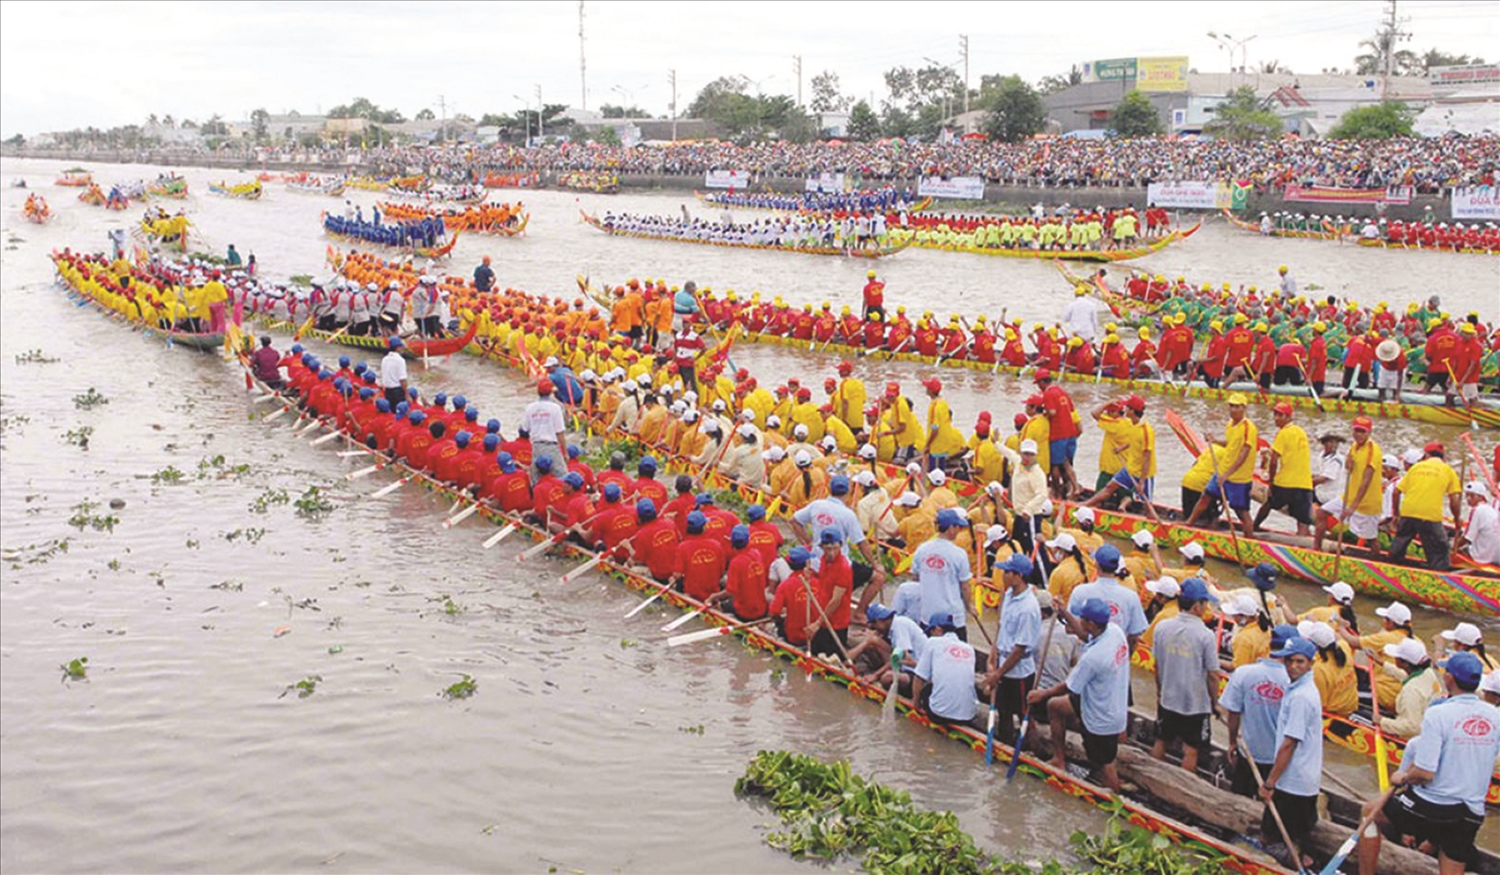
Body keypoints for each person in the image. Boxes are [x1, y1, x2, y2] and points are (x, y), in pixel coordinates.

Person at [1357, 651, 1500, 875]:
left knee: (1370, 811)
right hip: (1472, 811)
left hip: (1433, 807)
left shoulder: (1438, 714)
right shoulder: (1495, 716)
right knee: (1454, 853)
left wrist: (1402, 777)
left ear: (1449, 678)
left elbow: (1425, 773)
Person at [1030, 597, 1129, 792]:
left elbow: (1069, 686)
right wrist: (1065, 612)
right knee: (1055, 706)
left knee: (1105, 762)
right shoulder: (1113, 633)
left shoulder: (1093, 658)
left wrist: (1042, 694)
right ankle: (1059, 759)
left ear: (1091, 623)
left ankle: (1113, 795)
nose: (1079, 621)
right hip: (1104, 699)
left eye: (1082, 618)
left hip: (1101, 716)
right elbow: (1084, 635)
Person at [1259, 636, 1322, 871]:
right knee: (1293, 837)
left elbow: (1289, 744)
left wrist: (1270, 782)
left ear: (1310, 664)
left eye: (1299, 662)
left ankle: (1301, 865)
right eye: (1289, 662)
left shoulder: (1302, 697)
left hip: (1293, 783)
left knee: (1273, 837)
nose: (1292, 667)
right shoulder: (1299, 689)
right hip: (1299, 779)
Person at [1149, 578, 1222, 773]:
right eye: (1205, 603)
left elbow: (1156, 666)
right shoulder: (1205, 635)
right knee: (1191, 750)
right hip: (1195, 705)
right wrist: (1215, 703)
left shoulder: (1162, 627)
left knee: (1161, 741)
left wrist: (1159, 692)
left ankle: (1153, 776)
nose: (1207, 607)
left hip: (1168, 699)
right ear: (1197, 606)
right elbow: (1213, 675)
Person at [1220, 624, 1296, 797]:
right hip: (1279, 759)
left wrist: (1232, 742)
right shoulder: (1294, 683)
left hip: (1249, 752)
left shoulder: (1243, 673)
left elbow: (1233, 713)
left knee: (1240, 797)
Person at [982, 554, 1041, 745]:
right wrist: (993, 657)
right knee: (1003, 711)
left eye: (1006, 572)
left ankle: (1034, 749)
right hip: (1002, 662)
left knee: (1025, 715)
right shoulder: (1007, 595)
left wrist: (997, 674)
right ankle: (1005, 743)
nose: (1003, 575)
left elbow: (1020, 649)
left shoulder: (1028, 607)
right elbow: (1001, 628)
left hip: (1020, 672)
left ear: (1018, 576)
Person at [1183, 393, 1257, 537]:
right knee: (1205, 497)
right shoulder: (1230, 424)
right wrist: (1214, 440)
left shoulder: (1249, 428)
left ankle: (1250, 539)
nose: (1233, 410)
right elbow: (1230, 444)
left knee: (1241, 511)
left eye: (1236, 407)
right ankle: (1189, 523)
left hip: (1238, 478)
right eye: (1231, 406)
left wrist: (1227, 475)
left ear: (1243, 408)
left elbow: (1244, 453)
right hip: (1222, 472)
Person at [1388, 441, 1461, 570]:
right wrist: (1456, 520)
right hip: (1430, 515)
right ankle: (1440, 573)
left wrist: (1396, 514)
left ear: (1426, 455)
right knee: (1441, 548)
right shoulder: (1448, 470)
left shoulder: (1416, 467)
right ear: (1443, 457)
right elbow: (1454, 500)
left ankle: (1392, 564)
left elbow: (1396, 492)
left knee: (1401, 540)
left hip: (1408, 511)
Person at [909, 509, 974, 641]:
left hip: (928, 614)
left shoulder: (922, 549)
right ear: (950, 528)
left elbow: (915, 578)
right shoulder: (959, 554)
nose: (958, 530)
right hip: (953, 617)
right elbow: (965, 586)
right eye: (957, 527)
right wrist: (969, 606)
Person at [1253, 403, 1313, 536]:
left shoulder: (1283, 433)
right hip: (1305, 483)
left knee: (1268, 504)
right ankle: (1302, 545)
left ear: (1288, 417)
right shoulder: (1301, 432)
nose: (1276, 418)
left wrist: (1271, 481)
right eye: (1275, 414)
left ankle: (1252, 529)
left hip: (1285, 482)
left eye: (1280, 415)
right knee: (1302, 520)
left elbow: (1274, 461)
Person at [912, 612, 977, 727]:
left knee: (926, 689)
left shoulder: (932, 643)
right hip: (969, 715)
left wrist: (916, 704)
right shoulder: (969, 648)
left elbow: (919, 678)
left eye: (931, 632)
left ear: (937, 629)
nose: (930, 636)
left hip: (939, 714)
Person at [1379, 638, 1441, 738]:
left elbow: (1412, 727)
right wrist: (1382, 663)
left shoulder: (1411, 691)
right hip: (1429, 722)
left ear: (1405, 663)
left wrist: (1381, 721)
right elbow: (1406, 676)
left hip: (1416, 735)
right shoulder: (1428, 672)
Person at [523, 378, 569, 483]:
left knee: (536, 480)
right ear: (551, 392)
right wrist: (565, 452)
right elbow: (560, 433)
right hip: (551, 447)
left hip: (536, 447)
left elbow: (525, 428)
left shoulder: (530, 408)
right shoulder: (555, 408)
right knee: (563, 477)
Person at [1455, 480, 1499, 564]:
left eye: (1472, 496)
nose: (1468, 499)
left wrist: (1454, 548)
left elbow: (1467, 538)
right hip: (1496, 555)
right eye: (1467, 495)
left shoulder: (1477, 510)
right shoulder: (1490, 509)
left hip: (1482, 556)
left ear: (1481, 497)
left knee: (1455, 547)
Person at [379, 337, 409, 407]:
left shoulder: (385, 359)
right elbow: (403, 380)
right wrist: (407, 395)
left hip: (387, 391)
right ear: (397, 348)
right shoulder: (400, 360)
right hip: (397, 392)